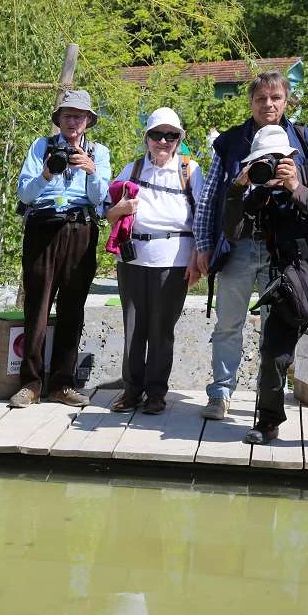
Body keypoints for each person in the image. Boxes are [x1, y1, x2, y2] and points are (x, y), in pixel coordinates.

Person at [192, 72, 308, 420]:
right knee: (228, 323)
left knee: (275, 328)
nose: (269, 104)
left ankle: (269, 403)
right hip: (238, 244)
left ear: (285, 101)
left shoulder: (304, 138)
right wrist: (204, 244)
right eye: (261, 98)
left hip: (282, 247)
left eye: (276, 97)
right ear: (251, 102)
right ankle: (220, 394)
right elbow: (209, 198)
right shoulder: (231, 141)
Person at [223, 125, 308, 452]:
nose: (270, 164)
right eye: (263, 160)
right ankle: (268, 421)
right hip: (292, 282)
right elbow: (234, 230)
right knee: (274, 354)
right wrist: (236, 190)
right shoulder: (263, 193)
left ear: (292, 157)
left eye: (276, 159)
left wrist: (295, 186)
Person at [8, 89, 111, 408]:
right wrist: (46, 173)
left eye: (79, 116)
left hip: (80, 228)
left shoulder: (99, 152)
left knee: (73, 308)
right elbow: (24, 195)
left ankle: (63, 383)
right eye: (68, 115)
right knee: (37, 307)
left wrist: (90, 171)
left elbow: (101, 199)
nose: (73, 121)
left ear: (88, 121)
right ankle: (31, 383)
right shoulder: (41, 147)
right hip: (43, 227)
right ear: (59, 120)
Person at [105, 108, 202, 414]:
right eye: (157, 135)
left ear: (179, 140)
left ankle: (157, 393)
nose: (163, 141)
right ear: (147, 138)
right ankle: (132, 390)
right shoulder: (132, 169)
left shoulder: (191, 170)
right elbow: (107, 213)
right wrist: (121, 208)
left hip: (174, 259)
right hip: (134, 257)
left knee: (162, 329)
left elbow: (203, 219)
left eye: (171, 136)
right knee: (134, 328)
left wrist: (197, 260)